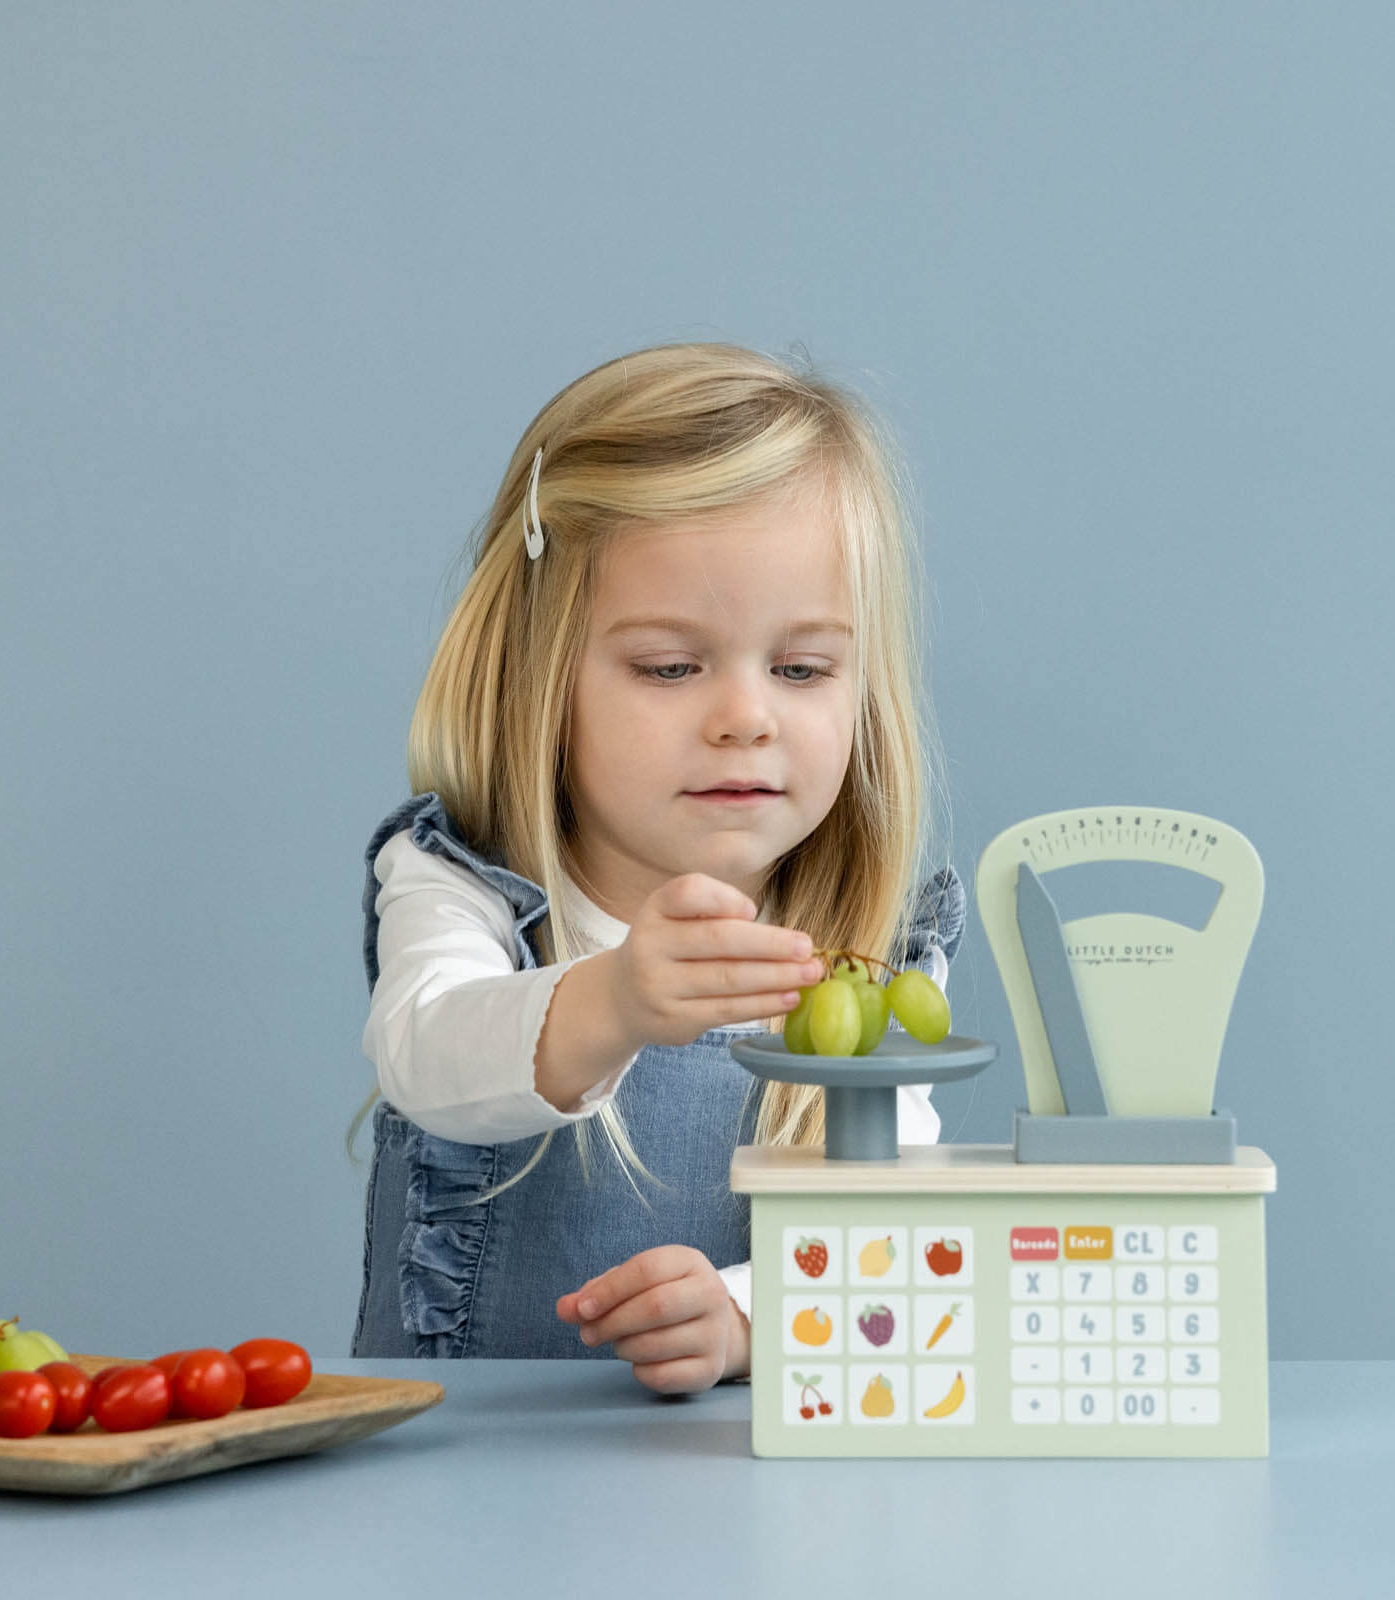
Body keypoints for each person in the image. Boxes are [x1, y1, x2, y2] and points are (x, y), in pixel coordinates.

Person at [349, 341, 966, 1395]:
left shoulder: (871, 955)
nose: (743, 718)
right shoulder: (461, 883)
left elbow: (894, 1231)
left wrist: (742, 1317)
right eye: (670, 667)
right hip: (461, 1487)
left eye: (802, 667)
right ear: (539, 679)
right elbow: (425, 1051)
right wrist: (615, 998)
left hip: (735, 1498)